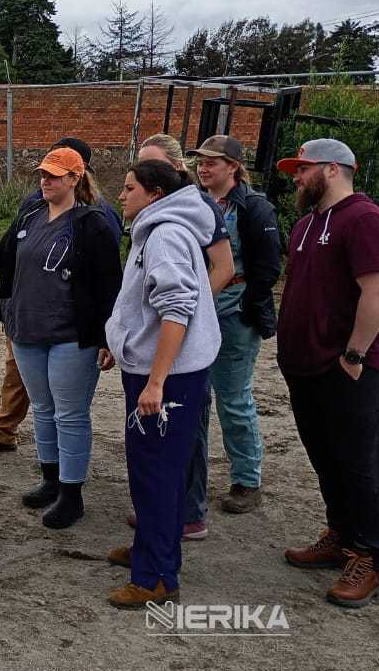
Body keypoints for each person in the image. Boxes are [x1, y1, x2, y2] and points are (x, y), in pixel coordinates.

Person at [0, 146, 122, 527]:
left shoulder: (92, 224)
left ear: (75, 178)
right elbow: (4, 261)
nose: (45, 181)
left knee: (70, 414)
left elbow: (109, 286)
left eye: (54, 175)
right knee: (42, 409)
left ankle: (72, 494)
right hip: (26, 329)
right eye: (42, 174)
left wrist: (107, 337)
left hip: (71, 335)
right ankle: (50, 480)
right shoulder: (31, 214)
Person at [276, 139, 379, 608]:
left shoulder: (363, 219)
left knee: (357, 462)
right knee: (325, 457)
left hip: (346, 367)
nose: (296, 178)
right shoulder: (306, 224)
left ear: (332, 169)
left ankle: (367, 555)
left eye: (303, 169)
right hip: (304, 364)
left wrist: (355, 355)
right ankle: (340, 535)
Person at [102, 160, 220, 609]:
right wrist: (120, 339)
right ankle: (154, 548)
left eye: (129, 188)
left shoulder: (166, 235)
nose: (122, 196)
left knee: (156, 472)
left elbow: (176, 310)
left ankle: (155, 577)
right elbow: (144, 306)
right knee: (154, 469)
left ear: (153, 194)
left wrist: (156, 381)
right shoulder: (155, 230)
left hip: (166, 380)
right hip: (155, 370)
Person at [134, 133, 233, 540]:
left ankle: (189, 513)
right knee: (156, 433)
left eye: (150, 166)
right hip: (160, 333)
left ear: (172, 171)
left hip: (182, 338)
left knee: (187, 426)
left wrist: (187, 313)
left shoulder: (195, 208)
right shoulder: (154, 214)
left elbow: (223, 267)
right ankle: (160, 513)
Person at [186, 135, 283, 518]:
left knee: (233, 398)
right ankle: (194, 475)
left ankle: (247, 479)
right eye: (200, 161)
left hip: (233, 315)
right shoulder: (193, 202)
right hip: (194, 311)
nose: (203, 167)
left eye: (212, 161)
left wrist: (247, 308)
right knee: (193, 396)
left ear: (233, 167)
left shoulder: (254, 209)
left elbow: (268, 268)